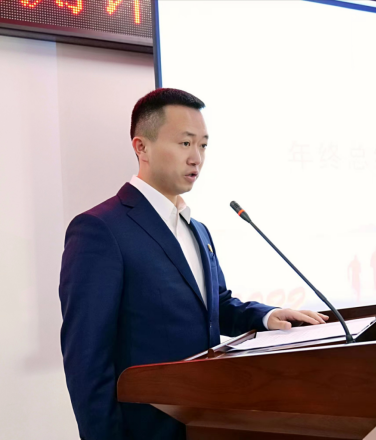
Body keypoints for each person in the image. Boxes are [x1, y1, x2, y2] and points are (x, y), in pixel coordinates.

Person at [59, 88, 329, 440]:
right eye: (185, 143)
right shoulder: (101, 229)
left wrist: (266, 316)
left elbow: (215, 306)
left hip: (206, 422)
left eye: (203, 145)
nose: (196, 158)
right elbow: (86, 357)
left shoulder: (197, 229)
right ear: (141, 147)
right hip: (147, 429)